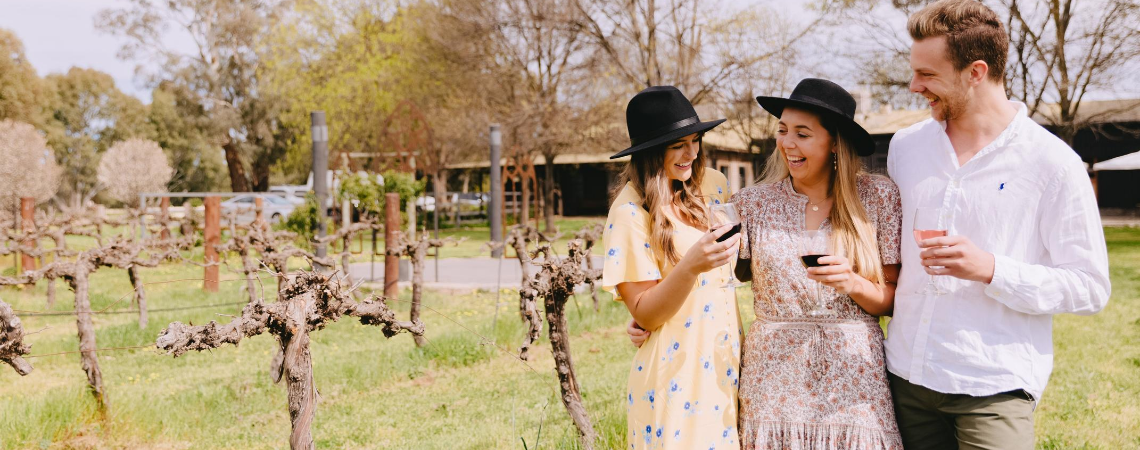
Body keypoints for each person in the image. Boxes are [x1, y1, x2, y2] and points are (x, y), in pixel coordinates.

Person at [885, 1, 1111, 448]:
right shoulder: (905, 148)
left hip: (994, 384)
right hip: (906, 375)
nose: (914, 86)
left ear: (976, 71)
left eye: (927, 75)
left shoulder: (1053, 164)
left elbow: (1090, 286)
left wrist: (991, 268)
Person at [728, 78, 904, 448]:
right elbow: (715, 276)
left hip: (854, 375)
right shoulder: (752, 204)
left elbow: (893, 299)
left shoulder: (877, 197)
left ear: (834, 143)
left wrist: (854, 283)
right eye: (782, 130)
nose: (787, 143)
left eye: (802, 134)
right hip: (772, 376)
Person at [602, 85, 742, 450]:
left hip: (726, 364)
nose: (691, 153)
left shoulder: (714, 185)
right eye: (678, 144)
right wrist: (690, 267)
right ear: (650, 150)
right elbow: (646, 314)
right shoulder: (629, 213)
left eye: (696, 140)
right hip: (675, 376)